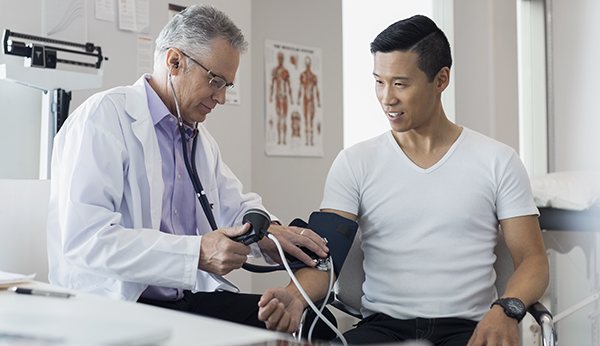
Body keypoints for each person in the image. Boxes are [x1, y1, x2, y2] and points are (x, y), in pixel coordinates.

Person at [46, 4, 328, 333]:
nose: (221, 98)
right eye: (216, 81)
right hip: (114, 304)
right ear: (175, 61)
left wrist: (266, 233)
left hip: (181, 300)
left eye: (227, 85)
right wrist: (194, 254)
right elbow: (86, 240)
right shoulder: (103, 120)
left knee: (310, 325)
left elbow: (232, 204)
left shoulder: (196, 137)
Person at [315, 15, 548, 345]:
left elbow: (532, 259)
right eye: (379, 82)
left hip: (468, 329)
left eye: (400, 83)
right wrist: (294, 295)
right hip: (382, 328)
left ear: (441, 80)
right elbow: (326, 253)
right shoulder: (354, 162)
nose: (386, 98)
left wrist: (506, 309)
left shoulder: (498, 160)